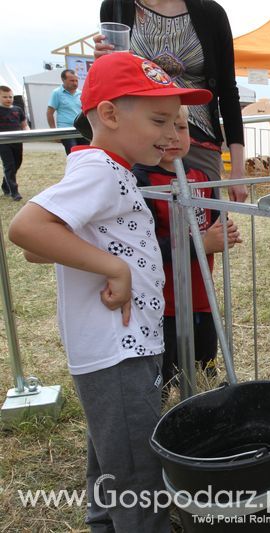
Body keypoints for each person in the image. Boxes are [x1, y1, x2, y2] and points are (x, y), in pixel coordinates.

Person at [8, 53, 212, 532]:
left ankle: (105, 523)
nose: (169, 132)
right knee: (139, 470)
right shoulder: (100, 169)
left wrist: (90, 254)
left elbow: (44, 246)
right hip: (116, 350)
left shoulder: (109, 167)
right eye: (159, 119)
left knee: (113, 454)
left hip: (125, 344)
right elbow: (26, 230)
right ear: (111, 115)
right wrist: (113, 267)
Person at [95, 0, 248, 203]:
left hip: (197, 137)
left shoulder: (210, 12)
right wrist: (103, 62)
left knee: (206, 224)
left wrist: (237, 171)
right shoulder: (116, 6)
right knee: (140, 220)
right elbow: (115, 78)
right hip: (136, 138)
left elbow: (228, 91)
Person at [133, 105, 241, 390]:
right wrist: (202, 243)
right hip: (163, 303)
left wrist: (226, 230)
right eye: (162, 125)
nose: (172, 137)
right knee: (167, 374)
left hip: (201, 295)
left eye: (180, 128)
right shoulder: (140, 181)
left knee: (205, 366)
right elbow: (147, 248)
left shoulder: (202, 178)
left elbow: (216, 218)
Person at [47, 69, 89, 154]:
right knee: (73, 153)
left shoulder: (81, 93)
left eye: (76, 80)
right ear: (63, 80)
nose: (75, 83)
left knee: (85, 153)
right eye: (72, 80)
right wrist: (54, 132)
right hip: (66, 130)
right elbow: (49, 113)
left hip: (81, 129)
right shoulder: (57, 93)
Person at [0, 85, 28, 201]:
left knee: (17, 163)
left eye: (10, 97)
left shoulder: (18, 109)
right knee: (9, 165)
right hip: (3, 142)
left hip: (17, 141)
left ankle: (5, 184)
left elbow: (24, 124)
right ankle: (14, 191)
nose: (8, 99)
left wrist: (28, 133)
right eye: (5, 97)